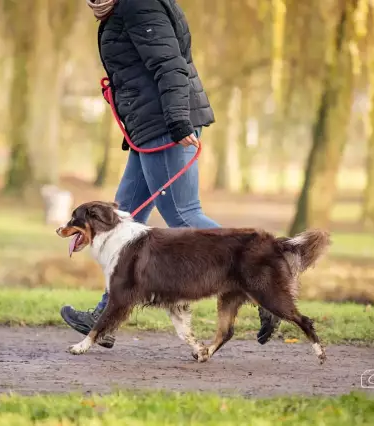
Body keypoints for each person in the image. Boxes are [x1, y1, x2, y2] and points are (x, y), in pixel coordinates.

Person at [60, 0, 281, 349]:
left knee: (182, 213)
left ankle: (261, 279)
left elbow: (170, 65)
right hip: (148, 129)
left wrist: (178, 122)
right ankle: (105, 319)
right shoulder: (125, 9)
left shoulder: (139, 5)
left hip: (165, 127)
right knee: (122, 216)